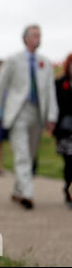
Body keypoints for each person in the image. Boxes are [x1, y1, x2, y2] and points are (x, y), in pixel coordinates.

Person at [0, 24, 58, 210]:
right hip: (18, 112)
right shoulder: (13, 60)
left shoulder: (45, 62)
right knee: (22, 154)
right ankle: (27, 193)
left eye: (40, 35)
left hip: (38, 113)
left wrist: (52, 117)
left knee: (31, 154)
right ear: (26, 38)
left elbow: (50, 91)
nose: (38, 38)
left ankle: (18, 190)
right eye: (35, 35)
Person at [53, 53, 72, 209]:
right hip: (65, 130)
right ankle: (68, 190)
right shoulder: (59, 84)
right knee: (69, 162)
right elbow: (54, 106)